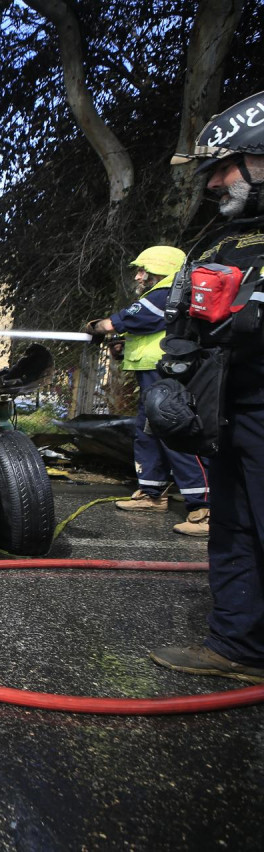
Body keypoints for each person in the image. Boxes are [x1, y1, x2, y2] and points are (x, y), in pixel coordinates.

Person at [149, 90, 264, 685]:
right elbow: (184, 320)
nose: (215, 183)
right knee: (235, 526)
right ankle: (238, 647)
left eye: (224, 166)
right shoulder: (223, 241)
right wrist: (172, 377)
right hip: (227, 410)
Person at [85, 246, 211, 536]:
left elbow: (129, 319)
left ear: (162, 269)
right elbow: (148, 330)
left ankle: (203, 508)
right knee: (148, 432)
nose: (139, 276)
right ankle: (152, 494)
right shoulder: (168, 294)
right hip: (153, 373)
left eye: (144, 269)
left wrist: (98, 327)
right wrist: (123, 345)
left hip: (166, 374)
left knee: (174, 431)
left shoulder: (168, 293)